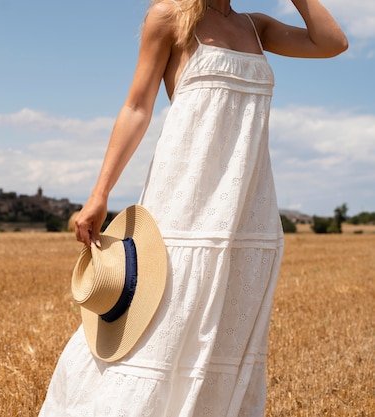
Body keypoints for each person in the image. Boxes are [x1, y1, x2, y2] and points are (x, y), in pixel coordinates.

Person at [39, 0, 347, 415]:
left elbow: (332, 43)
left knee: (221, 330)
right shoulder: (169, 17)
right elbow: (136, 107)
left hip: (246, 206)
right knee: (158, 319)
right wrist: (100, 193)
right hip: (184, 197)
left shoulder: (258, 27)